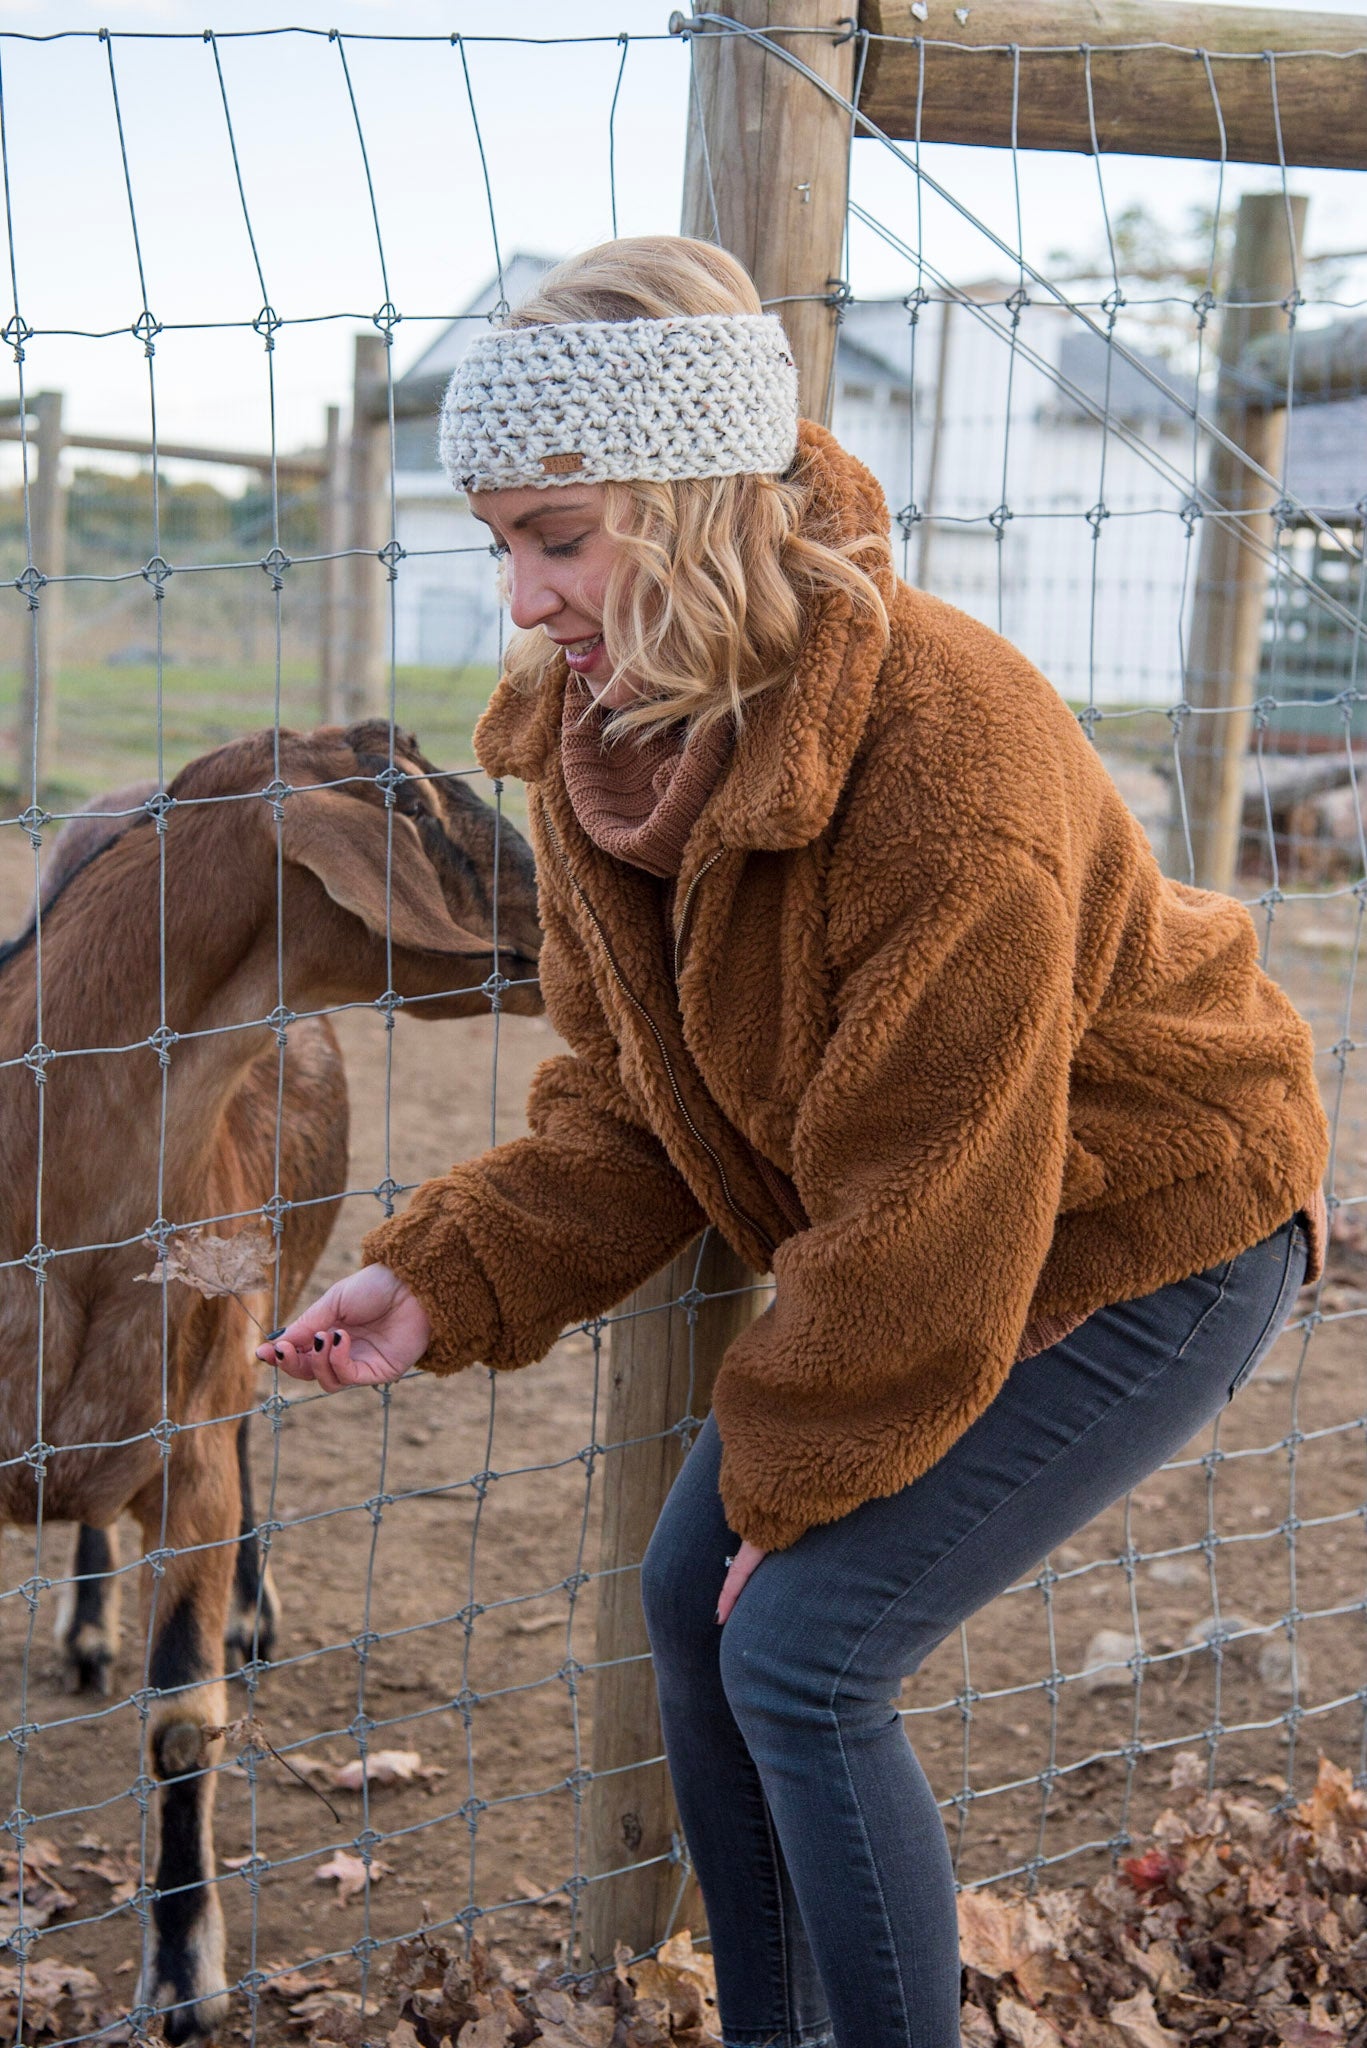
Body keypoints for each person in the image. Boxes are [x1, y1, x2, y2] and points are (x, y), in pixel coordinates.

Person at [263, 236, 1329, 2048]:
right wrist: (441, 1278)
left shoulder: (944, 758)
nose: (520, 602)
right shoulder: (608, 736)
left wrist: (810, 1486)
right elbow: (640, 1104)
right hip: (946, 1216)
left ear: (691, 501)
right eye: (501, 540)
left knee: (808, 1650)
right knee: (696, 1603)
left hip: (1151, 1218)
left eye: (561, 537)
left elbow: (940, 1187)